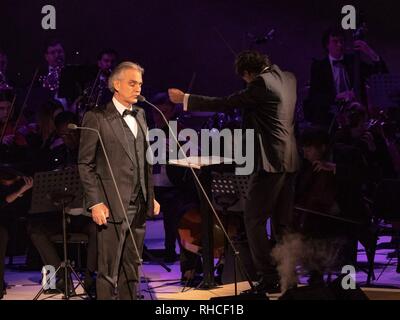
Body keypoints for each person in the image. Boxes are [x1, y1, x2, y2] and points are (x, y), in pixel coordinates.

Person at [169, 50, 300, 294]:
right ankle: (288, 277)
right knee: (283, 224)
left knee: (253, 220)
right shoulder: (289, 78)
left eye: (245, 79)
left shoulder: (260, 84)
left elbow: (226, 102)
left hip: (270, 162)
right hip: (290, 160)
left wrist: (185, 98)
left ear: (248, 74)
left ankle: (269, 278)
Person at [78, 61, 160, 300]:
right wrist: (95, 202)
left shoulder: (142, 114)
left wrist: (151, 196)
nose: (138, 89)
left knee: (132, 265)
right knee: (109, 269)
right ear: (116, 85)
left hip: (139, 204)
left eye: (140, 84)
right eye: (132, 83)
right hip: (111, 205)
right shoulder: (97, 117)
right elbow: (85, 163)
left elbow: (145, 161)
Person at [304, 27, 388, 126]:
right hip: (330, 117)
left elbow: (381, 73)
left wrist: (369, 52)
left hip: (357, 116)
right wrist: (337, 96)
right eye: (335, 42)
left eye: (342, 41)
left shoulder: (353, 61)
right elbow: (315, 96)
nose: (340, 45)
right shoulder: (319, 66)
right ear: (327, 45)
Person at [0, 169, 33, 299]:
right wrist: (20, 190)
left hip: (5, 223)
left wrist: (21, 188)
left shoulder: (12, 183)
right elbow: (4, 200)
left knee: (2, 234)